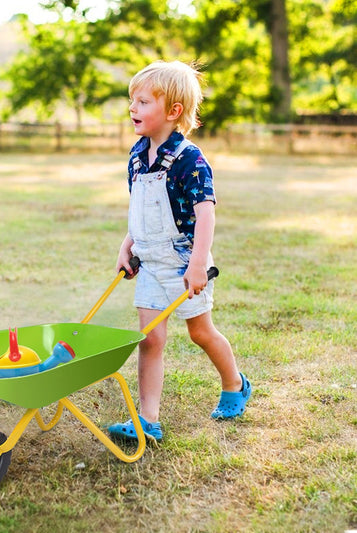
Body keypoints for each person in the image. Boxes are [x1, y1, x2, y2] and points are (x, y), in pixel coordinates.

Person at [108, 60, 251, 443]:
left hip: (184, 262)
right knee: (150, 339)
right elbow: (139, 210)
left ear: (172, 111)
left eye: (142, 101)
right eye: (131, 101)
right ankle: (147, 420)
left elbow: (206, 214)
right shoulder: (138, 156)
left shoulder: (190, 159)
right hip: (151, 263)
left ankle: (235, 383)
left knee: (200, 333)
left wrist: (198, 264)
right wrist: (128, 245)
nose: (132, 108)